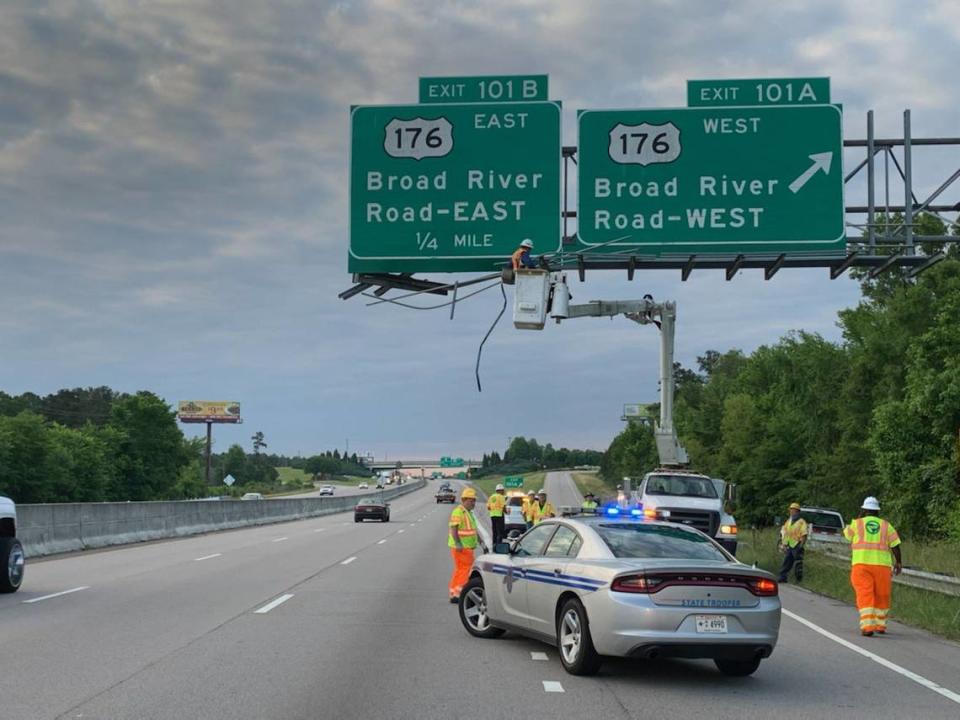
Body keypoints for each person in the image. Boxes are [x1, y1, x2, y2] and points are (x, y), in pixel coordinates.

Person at [843, 496, 902, 636]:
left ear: (864, 510)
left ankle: (868, 626)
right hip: (882, 566)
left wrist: (859, 516)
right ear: (878, 511)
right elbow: (895, 545)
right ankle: (880, 625)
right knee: (882, 594)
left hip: (861, 564)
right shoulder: (886, 525)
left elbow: (847, 536)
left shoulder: (857, 524)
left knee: (865, 593)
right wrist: (898, 562)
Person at [448, 488, 479, 604]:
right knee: (465, 570)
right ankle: (458, 594)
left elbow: (473, 530)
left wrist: (480, 541)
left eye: (474, 501)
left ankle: (453, 593)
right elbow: (453, 528)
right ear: (464, 500)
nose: (473, 503)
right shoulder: (458, 511)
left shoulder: (468, 513)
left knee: (460, 570)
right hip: (462, 548)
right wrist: (458, 543)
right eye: (471, 501)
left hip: (466, 547)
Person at [778, 502, 809, 583]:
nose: (791, 512)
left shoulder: (802, 522)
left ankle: (798, 580)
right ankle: (782, 578)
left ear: (797, 511)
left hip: (797, 545)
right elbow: (784, 532)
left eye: (793, 510)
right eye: (790, 510)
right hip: (789, 546)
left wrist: (801, 546)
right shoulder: (789, 521)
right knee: (786, 562)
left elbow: (804, 535)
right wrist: (783, 544)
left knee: (798, 564)